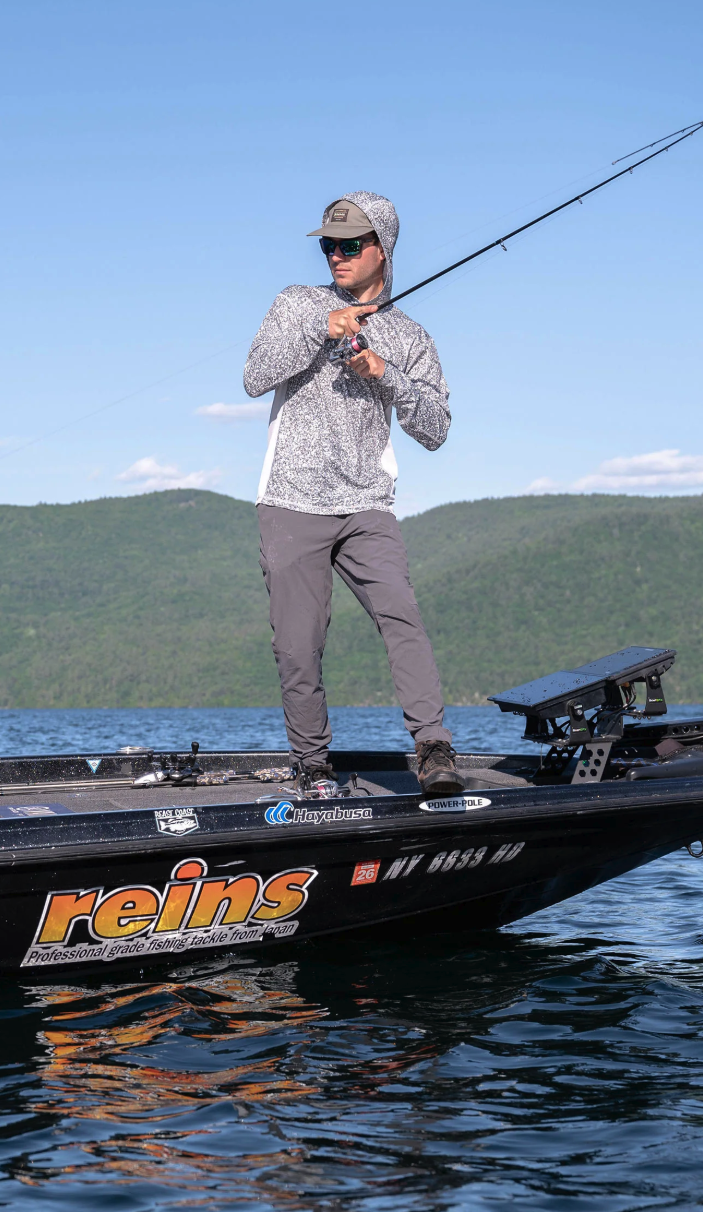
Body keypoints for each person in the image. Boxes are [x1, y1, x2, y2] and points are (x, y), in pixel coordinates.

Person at [244, 191, 464, 797]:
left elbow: (436, 430)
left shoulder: (411, 337)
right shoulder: (297, 304)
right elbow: (254, 376)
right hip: (290, 500)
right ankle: (313, 765)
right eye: (328, 246)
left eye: (349, 245)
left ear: (383, 250)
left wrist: (384, 375)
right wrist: (323, 328)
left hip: (368, 504)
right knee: (297, 643)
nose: (335, 256)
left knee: (402, 616)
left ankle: (434, 748)